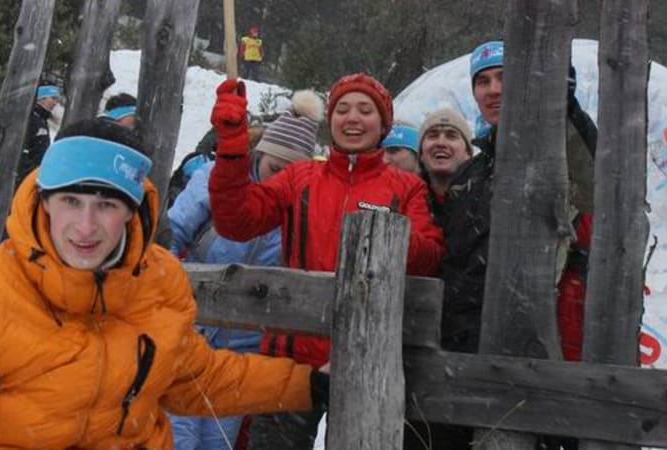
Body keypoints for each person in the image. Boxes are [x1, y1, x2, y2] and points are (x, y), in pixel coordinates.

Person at [0, 118, 330, 450]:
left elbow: (195, 377)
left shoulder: (156, 281)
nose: (86, 227)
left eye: (107, 205)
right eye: (71, 200)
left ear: (132, 211)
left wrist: (307, 384)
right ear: (44, 201)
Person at [208, 73, 445, 449]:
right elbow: (236, 221)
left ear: (383, 123)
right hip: (290, 357)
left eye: (365, 110)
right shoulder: (300, 177)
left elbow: (429, 259)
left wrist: (388, 234)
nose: (353, 118)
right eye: (343, 109)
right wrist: (233, 147)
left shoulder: (406, 188)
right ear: (330, 119)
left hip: (368, 357)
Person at [409, 40, 596, 450]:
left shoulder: (555, 152)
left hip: (533, 349)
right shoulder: (470, 173)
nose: (493, 90)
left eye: (503, 78)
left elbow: (593, 187)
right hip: (460, 349)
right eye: (483, 81)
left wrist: (566, 111)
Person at [168, 90, 324, 450]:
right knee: (177, 434)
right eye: (275, 166)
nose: (279, 177)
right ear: (260, 153)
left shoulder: (297, 204)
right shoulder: (215, 179)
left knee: (219, 440)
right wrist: (171, 289)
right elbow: (172, 232)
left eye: (290, 171)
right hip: (189, 327)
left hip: (243, 346)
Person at [416, 107, 474, 219]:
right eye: (433, 136)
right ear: (421, 154)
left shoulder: (484, 199)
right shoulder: (407, 199)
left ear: (467, 153)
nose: (441, 143)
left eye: (451, 136)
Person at [16, 83, 61, 189]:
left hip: (36, 178)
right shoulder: (30, 119)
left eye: (57, 99)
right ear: (41, 98)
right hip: (25, 181)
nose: (55, 103)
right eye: (53, 98)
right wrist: (29, 175)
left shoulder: (42, 120)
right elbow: (20, 152)